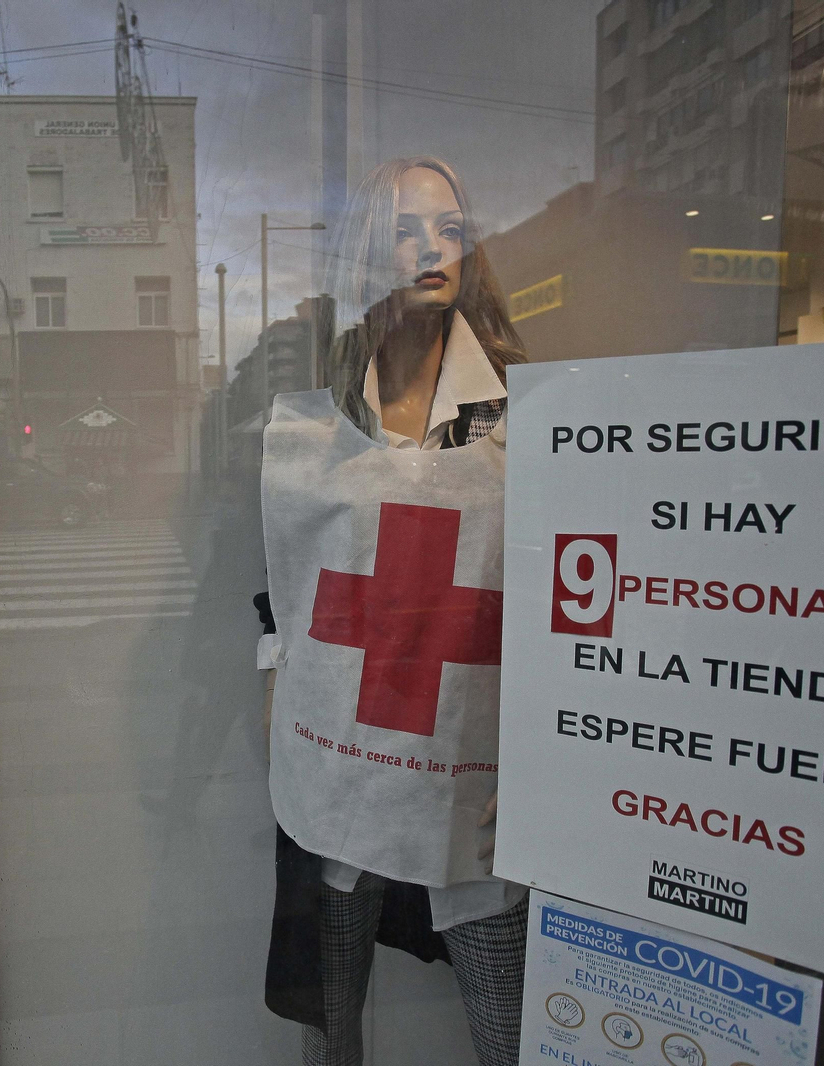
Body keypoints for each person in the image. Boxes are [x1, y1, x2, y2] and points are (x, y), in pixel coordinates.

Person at [258, 156, 529, 1065]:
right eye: (407, 231)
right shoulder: (314, 416)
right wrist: (275, 691)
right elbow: (283, 578)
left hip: (474, 778)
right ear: (369, 251)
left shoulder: (528, 413)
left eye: (451, 229)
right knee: (328, 1025)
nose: (432, 249)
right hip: (337, 767)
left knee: (512, 1031)